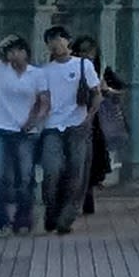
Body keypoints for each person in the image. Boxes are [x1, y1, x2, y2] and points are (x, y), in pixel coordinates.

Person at [35, 28, 101, 233]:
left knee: (76, 173)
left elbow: (97, 94)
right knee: (52, 170)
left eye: (58, 39)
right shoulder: (44, 70)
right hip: (52, 126)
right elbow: (44, 101)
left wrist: (88, 118)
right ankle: (51, 209)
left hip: (77, 125)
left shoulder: (84, 65)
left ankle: (67, 218)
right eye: (50, 41)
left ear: (68, 41)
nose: (55, 44)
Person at [0, 36, 49, 234]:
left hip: (25, 132)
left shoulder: (37, 74)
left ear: (26, 52)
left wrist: (35, 120)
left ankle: (23, 218)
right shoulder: (0, 69)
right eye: (10, 51)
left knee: (25, 177)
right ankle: (0, 221)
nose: (14, 55)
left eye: (18, 50)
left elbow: (44, 101)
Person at [88, 59, 128, 189]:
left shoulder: (106, 77)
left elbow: (120, 91)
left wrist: (107, 91)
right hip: (104, 118)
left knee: (108, 145)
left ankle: (103, 175)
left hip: (105, 118)